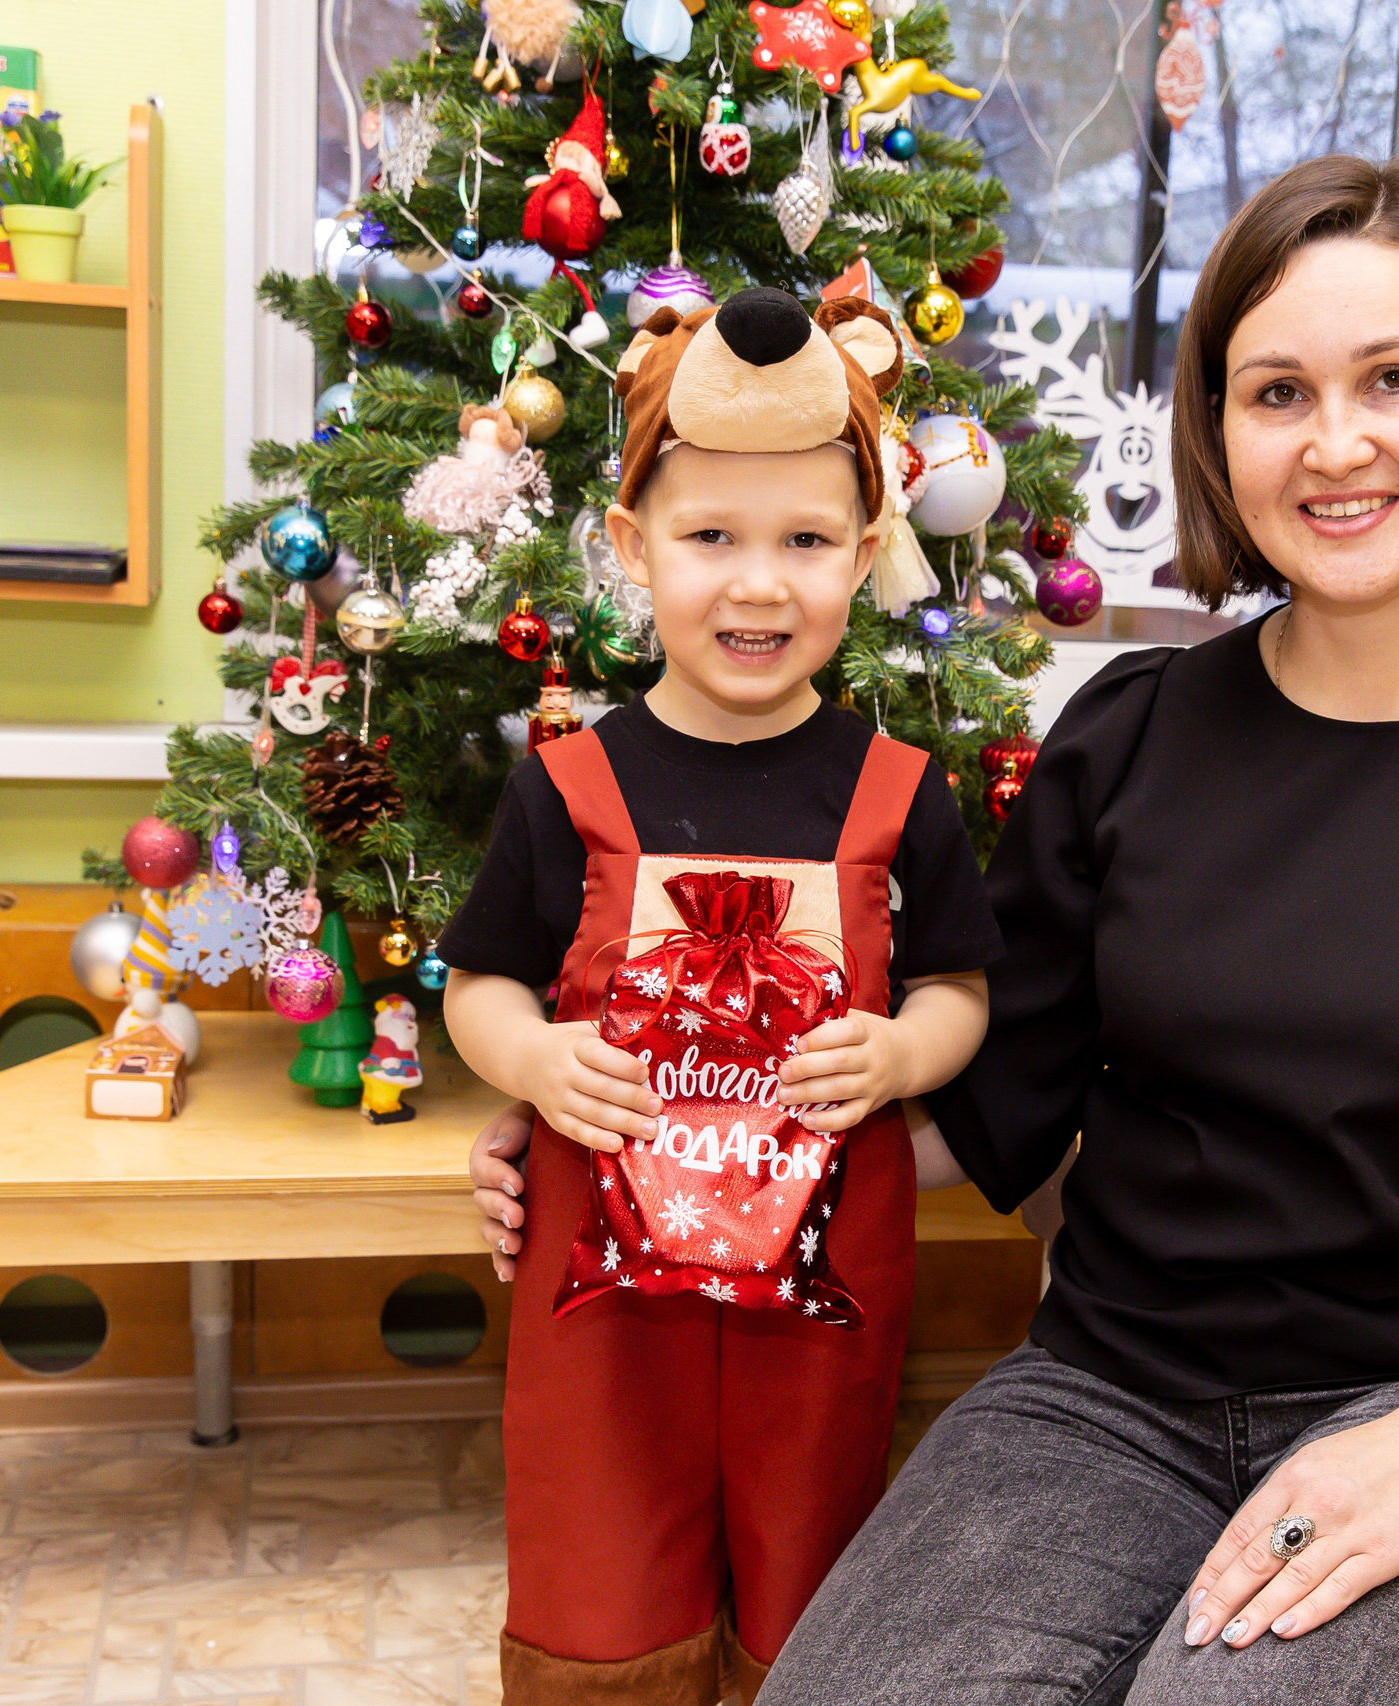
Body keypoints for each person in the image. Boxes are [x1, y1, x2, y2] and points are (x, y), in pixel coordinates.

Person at [474, 154, 1399, 1704]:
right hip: (1111, 1397)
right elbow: (986, 1102)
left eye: (1395, 378)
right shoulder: (1132, 736)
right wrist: (636, 1143)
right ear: (1218, 430)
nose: (1336, 444)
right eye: (1276, 393)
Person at [439, 288, 1001, 1706]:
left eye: (808, 542)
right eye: (711, 539)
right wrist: (531, 1059)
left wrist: (903, 1048)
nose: (760, 585)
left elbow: (960, 987)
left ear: (868, 557)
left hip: (825, 1293)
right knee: (597, 1546)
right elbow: (482, 979)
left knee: (816, 1545)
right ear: (632, 551)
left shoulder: (902, 791)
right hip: (601, 1307)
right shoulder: (566, 788)